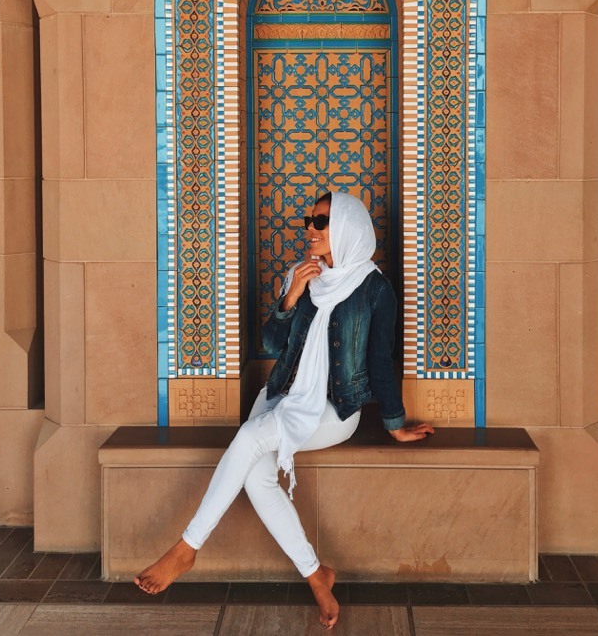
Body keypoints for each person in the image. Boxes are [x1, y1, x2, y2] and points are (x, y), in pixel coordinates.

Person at [135, 190, 434, 629]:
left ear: (348, 227)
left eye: (321, 222)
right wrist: (292, 295)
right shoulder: (301, 275)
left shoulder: (376, 291)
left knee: (251, 438)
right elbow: (272, 346)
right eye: (309, 221)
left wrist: (394, 424)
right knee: (257, 477)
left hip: (334, 409)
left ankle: (187, 547)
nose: (309, 229)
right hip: (283, 392)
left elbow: (378, 363)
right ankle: (317, 575)